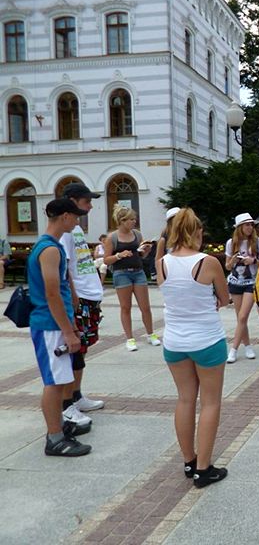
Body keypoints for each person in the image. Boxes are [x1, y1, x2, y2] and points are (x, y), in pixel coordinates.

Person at [156, 208, 229, 487]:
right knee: (210, 403)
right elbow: (223, 298)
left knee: (185, 400)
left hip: (174, 341)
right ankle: (204, 468)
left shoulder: (162, 262)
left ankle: (188, 460)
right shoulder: (207, 262)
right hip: (206, 340)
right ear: (196, 231)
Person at [28, 199, 92, 456]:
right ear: (64, 216)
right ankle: (54, 438)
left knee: (60, 378)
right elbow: (52, 294)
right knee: (54, 383)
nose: (78, 221)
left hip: (54, 324)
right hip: (50, 325)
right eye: (76, 216)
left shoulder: (49, 246)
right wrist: (68, 330)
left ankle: (59, 426)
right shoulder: (50, 250)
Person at [59, 184, 106, 434]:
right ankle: (67, 403)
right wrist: (74, 297)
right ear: (71, 201)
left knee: (83, 351)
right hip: (80, 300)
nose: (90, 206)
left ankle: (76, 396)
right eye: (86, 201)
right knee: (74, 353)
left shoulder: (75, 227)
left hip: (90, 296)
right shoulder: (65, 231)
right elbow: (64, 268)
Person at [103, 206, 160, 352]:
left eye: (135, 219)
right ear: (122, 221)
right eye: (131, 219)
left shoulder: (137, 234)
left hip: (138, 272)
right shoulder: (112, 238)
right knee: (125, 307)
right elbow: (106, 260)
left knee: (145, 306)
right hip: (121, 273)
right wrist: (119, 255)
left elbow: (140, 256)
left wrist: (145, 252)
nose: (134, 221)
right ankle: (130, 338)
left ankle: (150, 334)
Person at [225, 213, 259, 363]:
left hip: (252, 282)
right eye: (247, 224)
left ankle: (233, 350)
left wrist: (253, 260)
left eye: (251, 224)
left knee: (243, 316)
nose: (250, 227)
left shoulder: (258, 242)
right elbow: (227, 266)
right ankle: (248, 346)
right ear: (239, 227)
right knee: (240, 319)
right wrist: (233, 260)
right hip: (235, 282)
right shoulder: (231, 243)